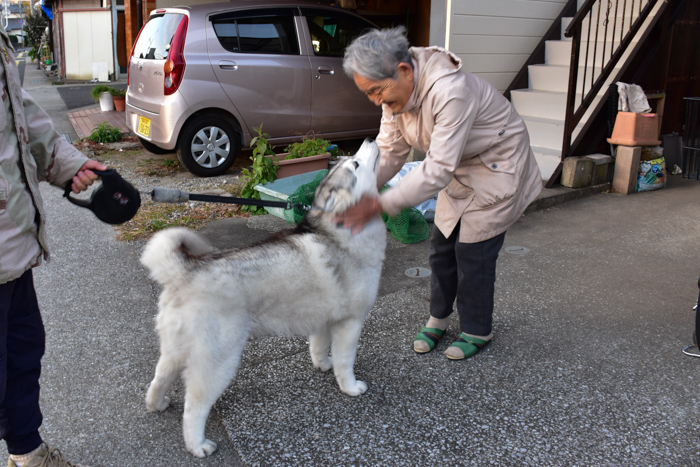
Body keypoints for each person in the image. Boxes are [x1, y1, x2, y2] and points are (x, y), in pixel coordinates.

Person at [338, 27, 542, 360]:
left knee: (473, 253)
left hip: (497, 165)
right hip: (457, 169)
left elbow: (437, 170)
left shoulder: (450, 90)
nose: (377, 101)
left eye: (377, 91)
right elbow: (389, 152)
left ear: (404, 71)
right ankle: (439, 317)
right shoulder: (395, 96)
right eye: (369, 95)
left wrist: (379, 205)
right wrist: (361, 190)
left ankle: (477, 329)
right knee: (441, 246)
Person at [0, 26, 105, 467]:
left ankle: (27, 453)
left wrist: (71, 165)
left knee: (23, 352)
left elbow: (18, 117)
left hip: (11, 246)